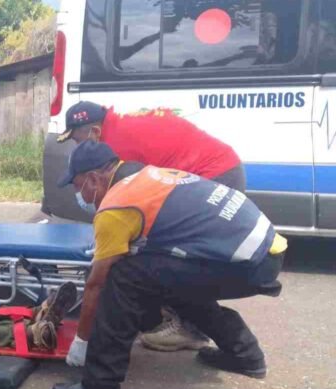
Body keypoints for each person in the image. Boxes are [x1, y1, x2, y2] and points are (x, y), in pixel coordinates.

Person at [49, 141, 286, 389]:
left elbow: (96, 284)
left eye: (77, 186)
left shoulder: (117, 205)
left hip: (246, 260)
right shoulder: (146, 174)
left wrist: (82, 342)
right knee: (171, 280)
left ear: (93, 179)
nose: (78, 195)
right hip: (268, 250)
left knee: (124, 276)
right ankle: (244, 353)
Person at [59, 101, 246, 352]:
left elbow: (123, 203)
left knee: (171, 258)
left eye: (76, 139)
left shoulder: (117, 143)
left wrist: (110, 244)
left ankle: (189, 329)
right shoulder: (120, 124)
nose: (77, 146)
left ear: (94, 131)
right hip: (220, 167)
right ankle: (180, 321)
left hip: (213, 173)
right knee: (164, 256)